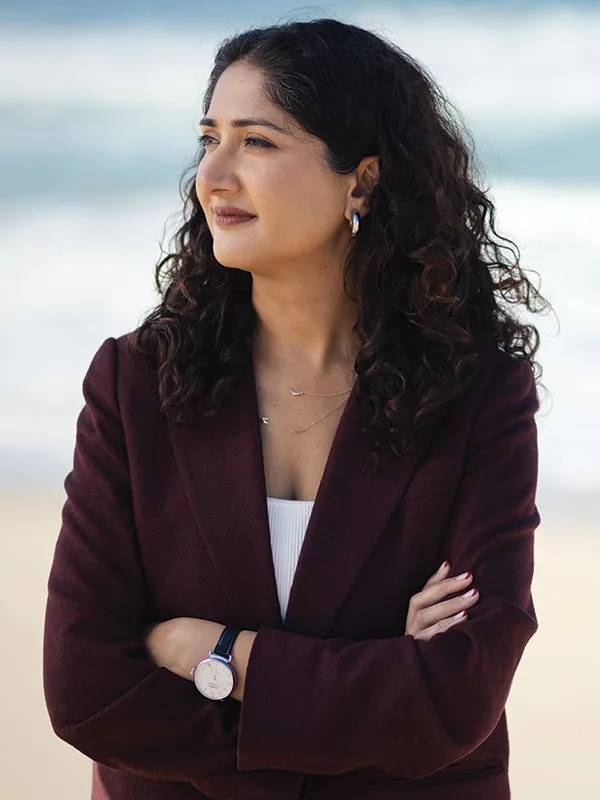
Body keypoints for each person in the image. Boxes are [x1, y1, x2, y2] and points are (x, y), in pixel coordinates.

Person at [43, 17, 551, 800]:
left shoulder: (478, 392)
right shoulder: (135, 383)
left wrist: (209, 651)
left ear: (363, 179)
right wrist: (375, 686)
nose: (212, 174)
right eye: (209, 137)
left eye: (258, 142)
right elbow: (88, 691)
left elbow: (457, 696)